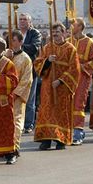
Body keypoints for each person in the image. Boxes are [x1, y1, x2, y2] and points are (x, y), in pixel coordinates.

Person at [34, 22, 80, 150]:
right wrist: (47, 61)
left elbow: (74, 70)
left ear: (64, 33)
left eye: (58, 33)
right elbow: (37, 64)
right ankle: (46, 139)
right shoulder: (48, 47)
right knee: (47, 111)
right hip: (48, 86)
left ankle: (61, 139)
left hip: (62, 87)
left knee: (61, 112)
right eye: (53, 33)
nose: (55, 36)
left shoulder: (71, 49)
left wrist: (61, 80)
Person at [4, 30, 33, 159]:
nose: (11, 43)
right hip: (4, 95)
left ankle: (14, 148)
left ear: (20, 42)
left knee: (16, 122)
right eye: (10, 40)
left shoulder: (26, 59)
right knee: (5, 121)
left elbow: (27, 80)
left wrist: (16, 93)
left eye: (14, 40)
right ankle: (4, 147)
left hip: (17, 97)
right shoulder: (6, 56)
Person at [70, 18, 93, 145]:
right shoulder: (68, 41)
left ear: (80, 27)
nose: (72, 27)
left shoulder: (89, 42)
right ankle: (67, 131)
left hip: (82, 78)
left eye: (74, 25)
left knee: (78, 104)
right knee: (68, 103)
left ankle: (78, 133)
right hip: (68, 78)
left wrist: (83, 66)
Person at [18, 13, 42, 133]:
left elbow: (34, 48)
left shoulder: (35, 33)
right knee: (17, 96)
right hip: (16, 69)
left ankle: (28, 124)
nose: (22, 21)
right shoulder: (16, 33)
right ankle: (18, 122)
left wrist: (20, 46)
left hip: (30, 69)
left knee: (29, 98)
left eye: (25, 19)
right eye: (21, 19)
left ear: (29, 22)